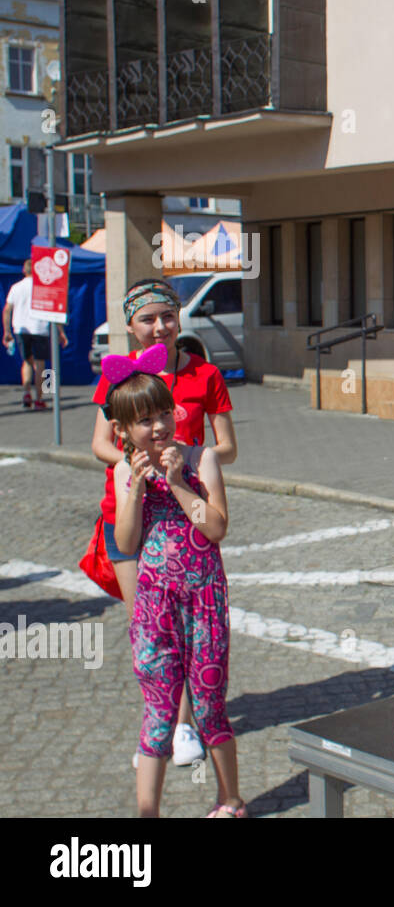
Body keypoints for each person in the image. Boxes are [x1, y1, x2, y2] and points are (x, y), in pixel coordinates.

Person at [91, 278, 238, 766]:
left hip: (186, 515)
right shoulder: (119, 378)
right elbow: (100, 444)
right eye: (147, 318)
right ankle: (161, 724)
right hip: (132, 516)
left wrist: (191, 463)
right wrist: (138, 463)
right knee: (150, 630)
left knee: (190, 630)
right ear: (131, 326)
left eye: (167, 316)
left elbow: (228, 447)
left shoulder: (206, 375)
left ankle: (185, 728)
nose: (159, 326)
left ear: (179, 319)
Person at [103, 349, 243, 817]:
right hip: (153, 607)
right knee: (159, 711)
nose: (160, 426)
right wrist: (137, 490)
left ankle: (230, 800)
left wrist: (179, 481)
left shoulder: (200, 458)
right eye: (145, 420)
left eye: (165, 412)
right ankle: (148, 812)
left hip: (203, 598)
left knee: (207, 704)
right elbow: (125, 541)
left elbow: (217, 527)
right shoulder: (126, 470)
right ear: (123, 431)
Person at [3, 258, 68, 409]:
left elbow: (7, 310)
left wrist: (7, 331)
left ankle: (26, 393)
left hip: (20, 328)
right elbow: (55, 311)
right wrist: (61, 332)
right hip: (40, 328)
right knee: (41, 364)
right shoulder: (44, 287)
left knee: (27, 361)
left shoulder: (16, 287)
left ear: (23, 270)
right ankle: (40, 398)